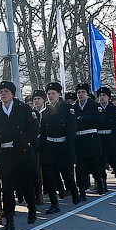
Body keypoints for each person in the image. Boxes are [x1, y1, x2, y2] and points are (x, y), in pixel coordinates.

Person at [0, 80, 40, 230]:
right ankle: (9, 221)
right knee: (7, 189)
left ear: (12, 94)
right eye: (1, 92)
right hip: (5, 156)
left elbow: (34, 129)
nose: (3, 94)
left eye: (6, 91)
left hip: (22, 152)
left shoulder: (24, 110)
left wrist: (23, 141)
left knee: (26, 185)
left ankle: (32, 208)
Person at [39, 81, 78, 212]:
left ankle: (73, 190)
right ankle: (54, 203)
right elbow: (42, 131)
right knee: (49, 177)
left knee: (67, 174)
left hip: (64, 146)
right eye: (49, 94)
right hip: (50, 147)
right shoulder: (44, 112)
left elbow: (71, 130)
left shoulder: (68, 109)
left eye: (53, 94)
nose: (50, 96)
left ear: (59, 94)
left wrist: (68, 145)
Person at [74, 83, 106, 198]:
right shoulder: (74, 107)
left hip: (91, 139)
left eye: (83, 92)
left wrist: (85, 118)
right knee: (80, 168)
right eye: (78, 92)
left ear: (87, 93)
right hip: (79, 140)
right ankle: (82, 190)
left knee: (95, 165)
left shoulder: (94, 106)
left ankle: (100, 183)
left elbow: (99, 121)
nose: (80, 94)